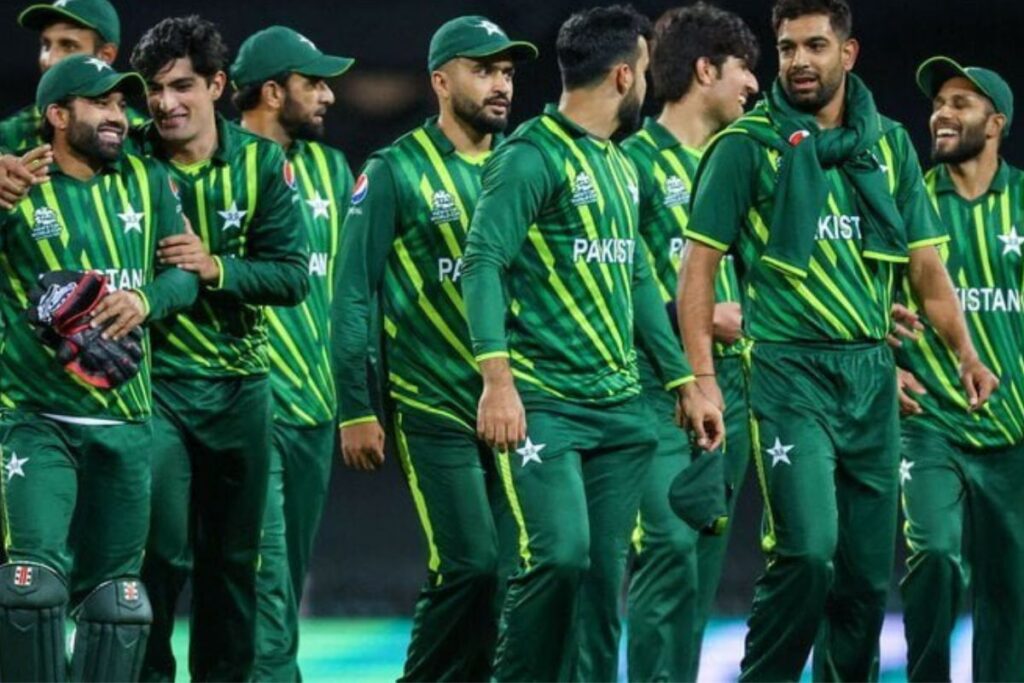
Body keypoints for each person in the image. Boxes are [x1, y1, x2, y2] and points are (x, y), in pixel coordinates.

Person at [678, 1, 998, 680]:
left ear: (847, 54)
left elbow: (926, 268)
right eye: (787, 47)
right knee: (808, 552)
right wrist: (702, 379)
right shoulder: (746, 146)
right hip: (787, 373)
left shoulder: (888, 146)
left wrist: (967, 353)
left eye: (816, 45)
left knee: (862, 577)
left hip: (870, 377)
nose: (799, 61)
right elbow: (697, 271)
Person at [461, 6, 723, 680]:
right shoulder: (530, 156)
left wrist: (682, 381)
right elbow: (482, 263)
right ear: (623, 76)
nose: (648, 87)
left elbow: (635, 278)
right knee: (560, 556)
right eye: (645, 73)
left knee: (604, 585)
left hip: (620, 410)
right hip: (547, 404)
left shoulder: (619, 165)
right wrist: (497, 380)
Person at [336, 15, 537, 680]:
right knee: (469, 563)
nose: (501, 84)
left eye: (506, 71)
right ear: (441, 81)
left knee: (509, 572)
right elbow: (354, 294)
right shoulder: (395, 171)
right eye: (483, 70)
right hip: (433, 399)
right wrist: (356, 405)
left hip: (520, 403)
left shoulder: (524, 163)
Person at [0, 54, 197, 682]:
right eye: (99, 103)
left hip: (126, 424)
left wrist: (145, 300)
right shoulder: (16, 185)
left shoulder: (148, 181)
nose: (117, 115)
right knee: (29, 591)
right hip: (37, 421)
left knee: (118, 605)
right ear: (58, 115)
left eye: (119, 104)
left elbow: (185, 276)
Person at [129, 15, 309, 681]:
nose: (165, 103)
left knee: (233, 565)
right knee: (159, 556)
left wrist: (216, 268)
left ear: (216, 85)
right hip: (156, 388)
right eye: (154, 89)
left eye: (181, 86)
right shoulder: (128, 157)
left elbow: (292, 276)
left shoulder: (261, 164)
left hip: (240, 391)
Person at [620, 4, 759, 680]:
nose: (754, 85)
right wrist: (693, 317)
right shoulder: (631, 165)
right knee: (668, 548)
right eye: (743, 69)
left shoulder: (740, 165)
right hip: (655, 390)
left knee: (701, 564)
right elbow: (604, 283)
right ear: (705, 70)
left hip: (730, 388)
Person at [231, 25, 355, 681]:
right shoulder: (221, 164)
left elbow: (348, 285)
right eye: (314, 83)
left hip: (316, 408)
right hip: (248, 401)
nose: (329, 95)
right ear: (273, 92)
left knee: (285, 575)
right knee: (268, 576)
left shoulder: (331, 170)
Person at [896, 56, 1024, 683]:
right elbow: (865, 299)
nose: (941, 114)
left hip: (1015, 430)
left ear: (995, 124)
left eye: (960, 104)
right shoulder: (906, 200)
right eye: (938, 103)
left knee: (1011, 593)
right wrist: (884, 367)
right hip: (929, 424)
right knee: (937, 556)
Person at [2, 0, 145, 154]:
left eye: (69, 46)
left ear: (105, 55)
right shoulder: (8, 135)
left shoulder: (144, 138)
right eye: (46, 45)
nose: (50, 60)